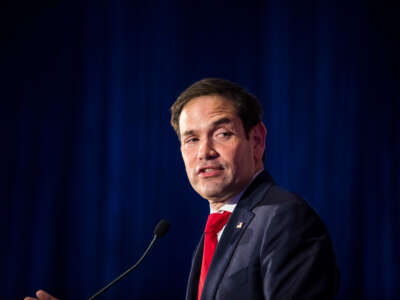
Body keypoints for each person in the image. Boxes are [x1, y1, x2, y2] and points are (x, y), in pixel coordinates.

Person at [25, 78, 339, 300]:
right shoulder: (223, 226)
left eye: (222, 134)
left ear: (256, 140)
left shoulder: (284, 218)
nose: (205, 151)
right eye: (191, 139)